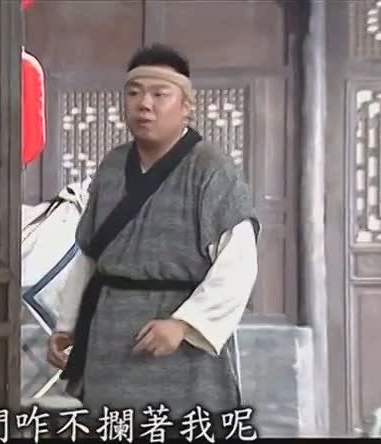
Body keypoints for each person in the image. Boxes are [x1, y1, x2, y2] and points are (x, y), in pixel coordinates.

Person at [46, 43, 261, 438]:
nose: (144, 104)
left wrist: (184, 325)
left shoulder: (211, 170)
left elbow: (238, 265)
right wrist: (68, 324)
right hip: (109, 337)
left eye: (159, 94)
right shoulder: (113, 166)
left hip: (179, 349)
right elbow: (90, 256)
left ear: (187, 106)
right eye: (134, 92)